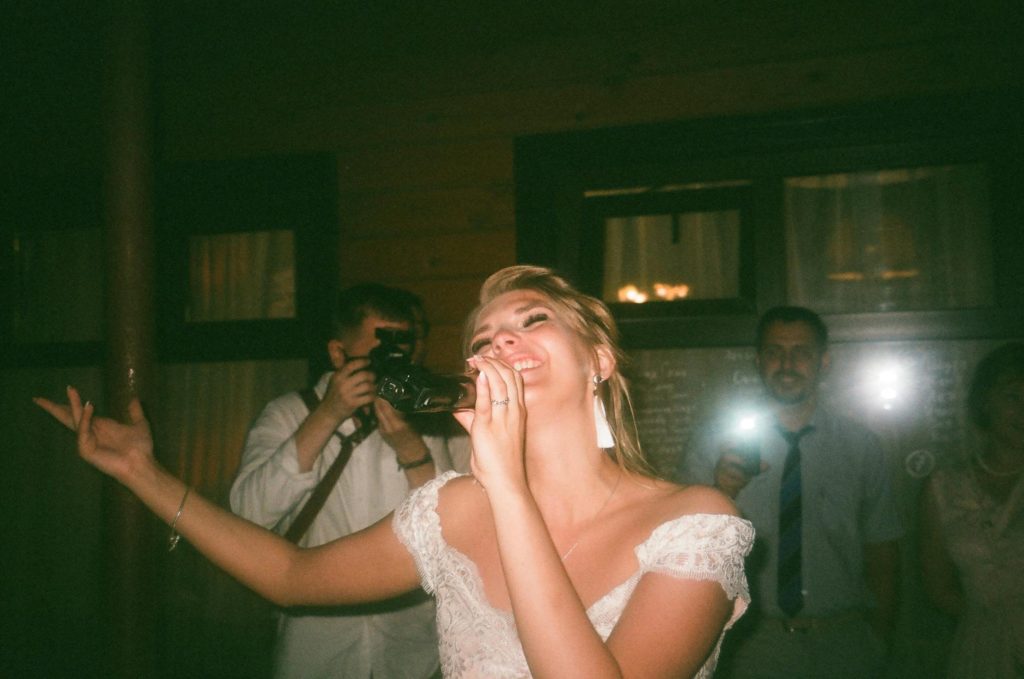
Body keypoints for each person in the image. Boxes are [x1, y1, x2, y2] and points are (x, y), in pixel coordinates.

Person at [36, 265, 754, 679]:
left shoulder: (694, 520)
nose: (503, 335)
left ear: (599, 360)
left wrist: (505, 483)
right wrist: (140, 470)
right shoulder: (452, 509)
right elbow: (291, 573)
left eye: (534, 319)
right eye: (484, 337)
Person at [229, 283, 467, 679]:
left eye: (399, 351)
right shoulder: (288, 414)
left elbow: (458, 533)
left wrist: (412, 450)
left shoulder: (433, 419)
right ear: (338, 353)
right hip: (316, 640)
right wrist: (327, 415)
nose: (388, 363)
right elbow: (248, 515)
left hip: (412, 645)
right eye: (377, 353)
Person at [678, 306, 903, 678]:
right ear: (758, 360)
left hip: (843, 640)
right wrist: (722, 490)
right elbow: (682, 548)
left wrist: (879, 637)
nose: (787, 364)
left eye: (801, 352)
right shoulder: (714, 442)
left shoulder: (860, 446)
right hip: (748, 642)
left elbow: (882, 551)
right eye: (774, 352)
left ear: (824, 361)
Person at [919, 342, 1024, 678]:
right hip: (982, 651)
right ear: (985, 402)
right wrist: (995, 621)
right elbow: (937, 589)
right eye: (1013, 397)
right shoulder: (945, 487)